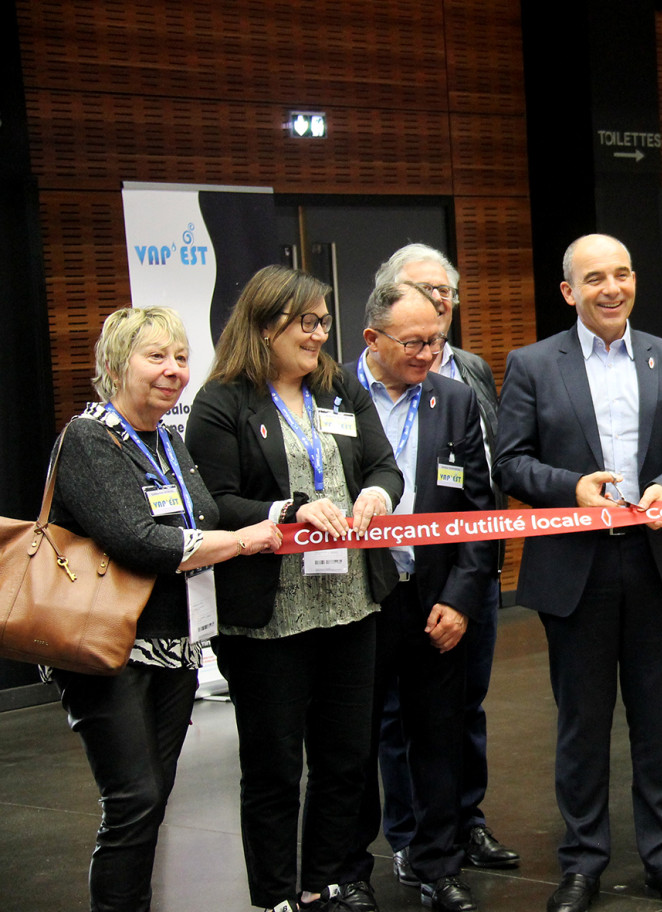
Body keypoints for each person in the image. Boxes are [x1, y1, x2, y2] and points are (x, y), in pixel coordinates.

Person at [495, 234, 662, 912]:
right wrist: (572, 488)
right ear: (569, 292)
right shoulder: (532, 365)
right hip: (576, 569)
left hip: (658, 562)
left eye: (622, 274)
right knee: (582, 725)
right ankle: (582, 862)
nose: (612, 288)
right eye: (595, 279)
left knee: (661, 724)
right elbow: (511, 462)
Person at [186, 265, 404, 912]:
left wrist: (375, 491)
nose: (318, 335)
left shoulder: (339, 390)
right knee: (275, 766)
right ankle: (277, 893)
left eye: (322, 322)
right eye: (305, 322)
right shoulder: (223, 401)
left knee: (345, 758)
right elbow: (214, 502)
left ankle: (325, 880)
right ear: (264, 324)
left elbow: (384, 465)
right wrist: (286, 510)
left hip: (350, 604)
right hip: (268, 616)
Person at [46, 306, 279, 912]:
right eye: (156, 357)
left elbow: (207, 514)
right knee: (133, 800)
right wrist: (241, 543)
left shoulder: (168, 440)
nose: (173, 370)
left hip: (175, 646)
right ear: (115, 364)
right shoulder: (88, 440)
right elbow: (138, 541)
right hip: (107, 650)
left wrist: (280, 512)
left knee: (152, 797)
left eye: (180, 357)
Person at [339, 282, 498, 912]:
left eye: (436, 340)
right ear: (372, 339)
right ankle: (349, 873)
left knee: (439, 739)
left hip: (434, 596)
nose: (429, 354)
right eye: (413, 342)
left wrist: (462, 597)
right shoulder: (334, 398)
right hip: (358, 597)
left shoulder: (454, 399)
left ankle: (438, 865)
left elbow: (480, 509)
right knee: (352, 743)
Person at [372, 244, 519, 874]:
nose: (439, 305)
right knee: (392, 717)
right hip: (384, 584)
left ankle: (464, 822)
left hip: (464, 574)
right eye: (424, 293)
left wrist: (472, 578)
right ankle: (409, 834)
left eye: (446, 295)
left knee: (462, 707)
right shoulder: (346, 392)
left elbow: (486, 478)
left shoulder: (470, 375)